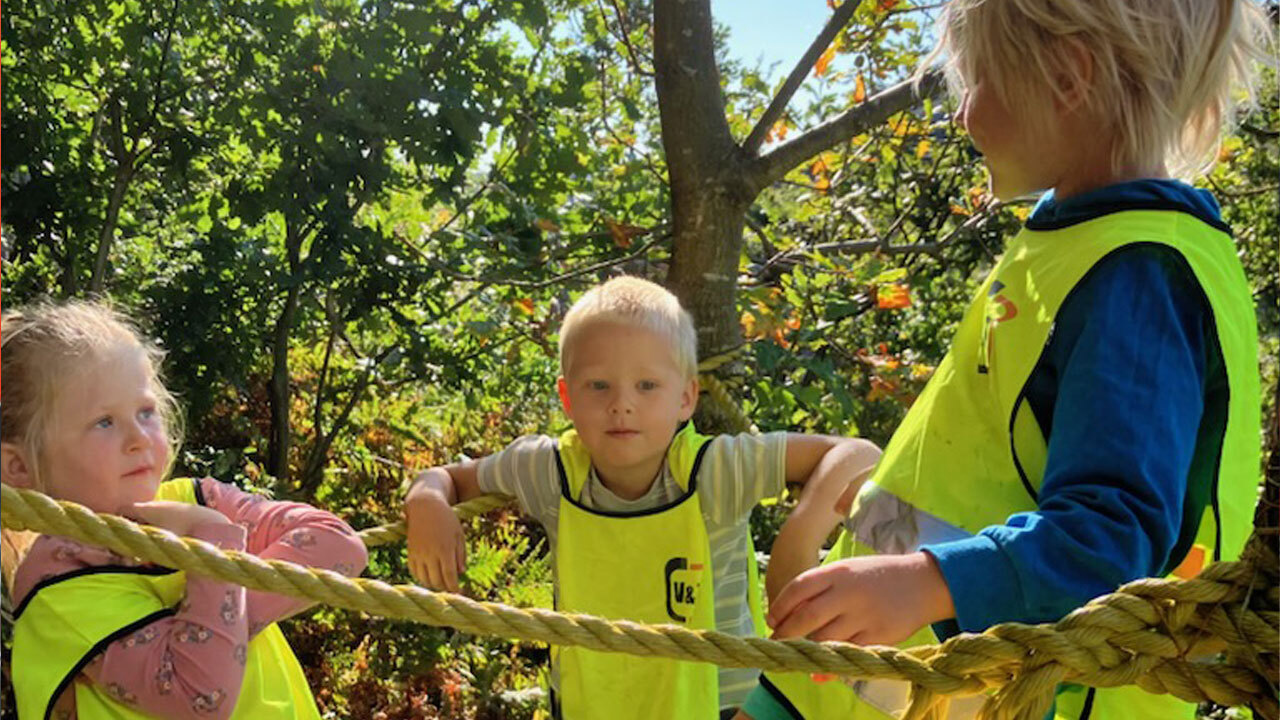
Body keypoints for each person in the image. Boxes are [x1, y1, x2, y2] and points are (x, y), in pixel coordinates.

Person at [739, 1, 1270, 718]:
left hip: (1004, 691)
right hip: (894, 677)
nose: (964, 117)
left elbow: (1113, 539)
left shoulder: (1137, 275)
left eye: (978, 80)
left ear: (1067, 75)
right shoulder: (1077, 243)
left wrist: (926, 583)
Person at [403, 276, 881, 719]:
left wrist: (796, 541)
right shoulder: (548, 470)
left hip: (723, 705)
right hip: (593, 704)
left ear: (686, 399)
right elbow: (446, 478)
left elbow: (857, 453)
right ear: (567, 399)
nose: (622, 403)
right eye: (598, 385)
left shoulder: (715, 470)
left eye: (647, 385)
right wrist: (426, 502)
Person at [1, 300, 369, 720]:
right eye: (104, 422)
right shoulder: (60, 581)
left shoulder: (192, 499)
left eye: (145, 412)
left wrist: (217, 621)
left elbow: (340, 545)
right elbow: (197, 695)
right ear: (20, 466)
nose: (139, 438)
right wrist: (212, 549)